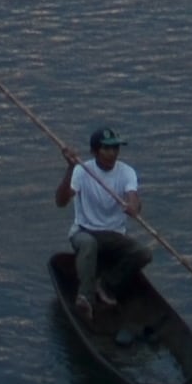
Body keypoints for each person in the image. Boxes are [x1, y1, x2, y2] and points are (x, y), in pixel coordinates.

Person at [58, 125, 151, 298]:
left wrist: (133, 207)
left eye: (115, 148)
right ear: (95, 151)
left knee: (143, 253)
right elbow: (61, 202)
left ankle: (107, 286)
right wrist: (70, 168)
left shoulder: (126, 172)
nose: (112, 153)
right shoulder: (81, 170)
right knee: (88, 244)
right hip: (84, 231)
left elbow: (133, 197)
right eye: (106, 148)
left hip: (114, 235)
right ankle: (85, 296)